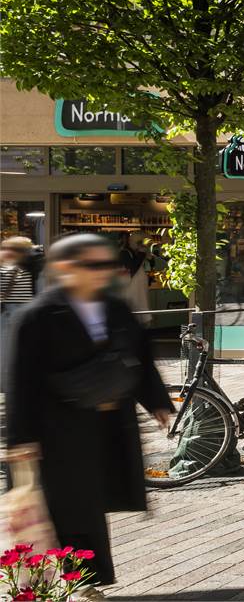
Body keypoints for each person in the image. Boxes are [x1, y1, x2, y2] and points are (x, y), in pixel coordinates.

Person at [1, 231, 173, 588]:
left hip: (105, 427)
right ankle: (58, 582)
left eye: (107, 264)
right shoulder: (37, 315)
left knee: (89, 504)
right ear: (64, 268)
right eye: (93, 265)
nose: (104, 271)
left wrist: (156, 400)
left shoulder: (115, 308)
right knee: (62, 507)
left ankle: (84, 580)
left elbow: (139, 356)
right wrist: (20, 438)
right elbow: (21, 379)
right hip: (56, 430)